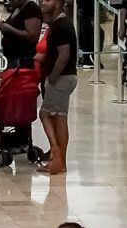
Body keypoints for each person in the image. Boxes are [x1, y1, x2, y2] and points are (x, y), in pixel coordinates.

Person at [37, 0, 78, 175]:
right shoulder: (58, 24)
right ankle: (60, 160)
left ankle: (56, 151)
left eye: (48, 0)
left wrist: (52, 78)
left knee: (45, 114)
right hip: (63, 77)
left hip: (61, 78)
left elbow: (64, 55)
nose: (43, 3)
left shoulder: (62, 26)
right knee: (59, 117)